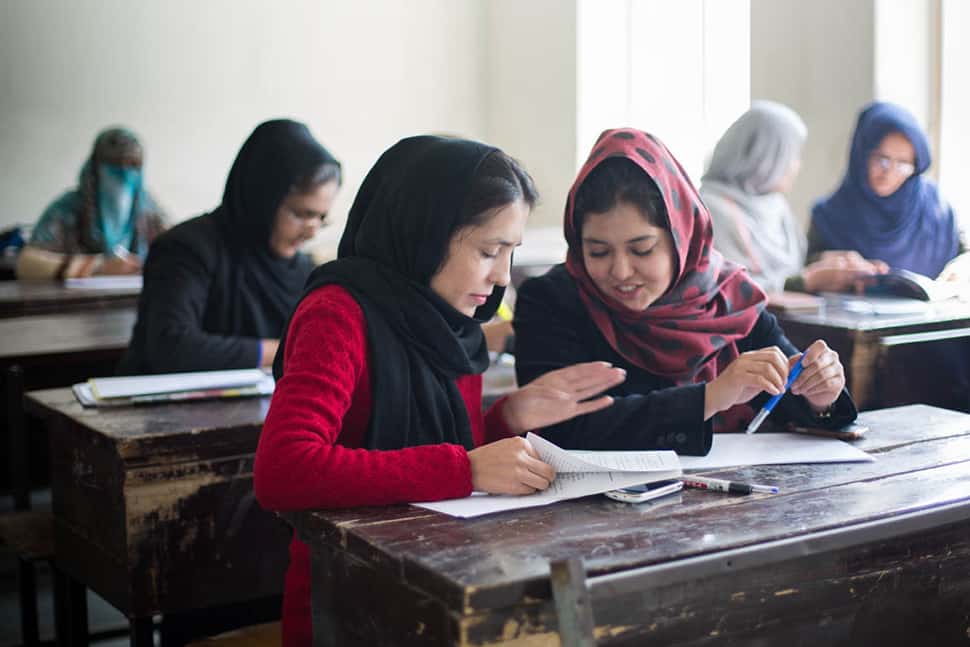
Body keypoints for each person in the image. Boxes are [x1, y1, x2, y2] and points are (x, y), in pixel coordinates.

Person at [253, 135, 626, 646]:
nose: (501, 277)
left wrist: (507, 418)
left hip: (448, 574)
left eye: (510, 254)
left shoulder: (453, 320)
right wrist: (466, 469)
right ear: (424, 233)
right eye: (488, 251)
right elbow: (284, 469)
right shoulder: (338, 313)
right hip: (348, 598)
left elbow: (436, 450)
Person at [514, 128, 858, 452]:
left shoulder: (729, 300)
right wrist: (710, 397)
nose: (620, 271)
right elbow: (563, 429)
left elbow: (789, 399)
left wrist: (819, 394)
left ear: (682, 238)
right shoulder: (551, 302)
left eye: (642, 249)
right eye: (598, 252)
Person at [118, 119, 339, 374]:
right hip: (155, 408)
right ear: (263, 197)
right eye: (301, 214)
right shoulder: (186, 249)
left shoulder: (301, 270)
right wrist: (284, 351)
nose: (312, 229)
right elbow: (172, 346)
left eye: (321, 218)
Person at [701, 101, 886, 295]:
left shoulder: (774, 205)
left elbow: (788, 269)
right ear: (764, 157)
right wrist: (806, 282)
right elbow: (730, 288)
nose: (797, 166)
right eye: (791, 155)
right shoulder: (714, 210)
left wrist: (832, 264)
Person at [810, 101, 969, 280]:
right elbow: (805, 275)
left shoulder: (938, 211)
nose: (889, 173)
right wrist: (829, 265)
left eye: (903, 165)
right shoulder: (829, 217)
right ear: (860, 155)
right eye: (881, 160)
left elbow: (963, 258)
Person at [16, 127, 167, 280]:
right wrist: (97, 266)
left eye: (133, 165)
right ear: (95, 168)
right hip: (77, 301)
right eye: (114, 164)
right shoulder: (67, 209)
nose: (124, 173)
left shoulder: (148, 211)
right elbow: (27, 264)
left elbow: (177, 249)